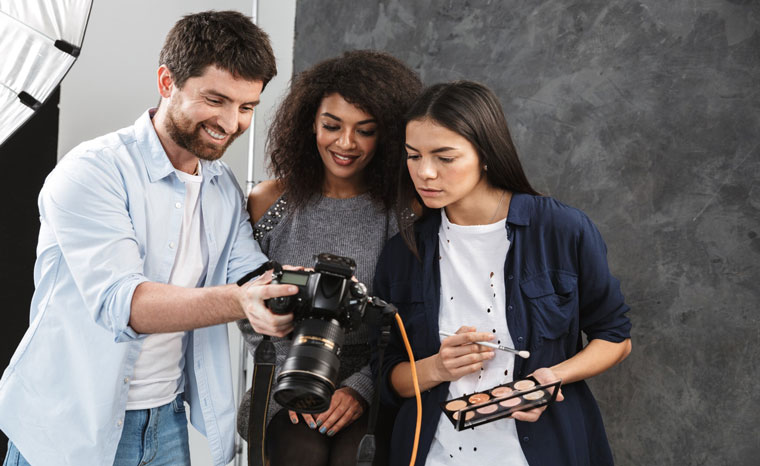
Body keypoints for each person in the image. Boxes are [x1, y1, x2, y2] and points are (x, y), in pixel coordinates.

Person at [0, 11, 300, 466]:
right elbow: (125, 303)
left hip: (165, 422)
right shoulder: (93, 172)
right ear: (167, 81)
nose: (231, 122)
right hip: (68, 424)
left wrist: (294, 284)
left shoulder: (221, 187)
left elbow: (249, 271)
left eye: (247, 107)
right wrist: (242, 301)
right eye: (215, 99)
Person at [373, 81, 633, 466]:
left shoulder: (562, 230)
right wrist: (436, 368)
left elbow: (615, 337)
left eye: (445, 157)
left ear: (486, 153)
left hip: (541, 451)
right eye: (413, 156)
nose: (425, 172)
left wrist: (552, 377)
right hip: (432, 453)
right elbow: (386, 373)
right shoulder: (403, 251)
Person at [237, 50, 422, 465]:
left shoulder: (407, 211)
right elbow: (243, 303)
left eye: (365, 130)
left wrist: (361, 386)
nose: (345, 143)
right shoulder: (270, 202)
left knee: (355, 455)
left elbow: (413, 317)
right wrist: (298, 377)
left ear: (389, 135)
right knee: (299, 450)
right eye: (331, 126)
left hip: (373, 377)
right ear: (310, 124)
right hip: (287, 370)